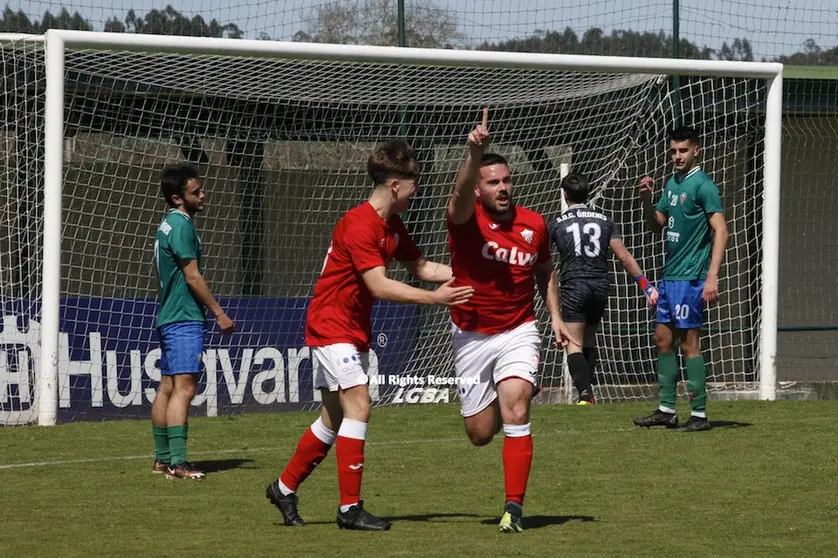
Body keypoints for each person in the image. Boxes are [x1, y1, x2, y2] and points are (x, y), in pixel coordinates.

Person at [265, 139, 474, 531]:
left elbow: (423, 267)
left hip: (351, 328)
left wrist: (476, 275)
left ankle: (283, 487)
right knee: (359, 404)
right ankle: (349, 509)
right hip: (331, 325)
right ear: (395, 185)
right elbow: (378, 285)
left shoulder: (391, 224)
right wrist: (436, 300)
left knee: (333, 418)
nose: (418, 191)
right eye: (414, 183)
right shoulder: (359, 223)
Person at [446, 108, 575, 533]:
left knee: (518, 407)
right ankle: (495, 407)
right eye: (493, 182)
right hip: (470, 335)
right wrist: (472, 153)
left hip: (519, 330)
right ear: (480, 188)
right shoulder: (465, 220)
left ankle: (514, 509)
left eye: (506, 180)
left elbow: (544, 270)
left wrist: (554, 316)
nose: (503, 188)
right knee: (481, 433)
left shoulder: (535, 223)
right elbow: (460, 195)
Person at [633, 126, 728, 432]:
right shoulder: (673, 183)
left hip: (691, 279)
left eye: (683, 150)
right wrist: (647, 200)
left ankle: (699, 414)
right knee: (662, 340)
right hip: (670, 277)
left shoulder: (703, 185)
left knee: (690, 345)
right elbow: (657, 224)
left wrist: (712, 276)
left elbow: (721, 230)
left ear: (696, 150)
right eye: (673, 151)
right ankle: (666, 410)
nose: (677, 156)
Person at [151, 163, 235, 480]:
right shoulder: (182, 225)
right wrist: (218, 312)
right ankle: (178, 462)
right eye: (195, 191)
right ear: (177, 198)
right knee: (184, 389)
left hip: (169, 315)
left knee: (168, 387)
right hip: (184, 317)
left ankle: (162, 459)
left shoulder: (167, 226)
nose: (203, 194)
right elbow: (192, 276)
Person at [547, 172, 659, 405]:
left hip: (574, 284)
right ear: (587, 193)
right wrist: (646, 287)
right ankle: (589, 393)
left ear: (565, 195)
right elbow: (624, 256)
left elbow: (543, 262)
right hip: (600, 286)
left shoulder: (557, 222)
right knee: (588, 338)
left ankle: (585, 395)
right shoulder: (605, 220)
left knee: (573, 343)